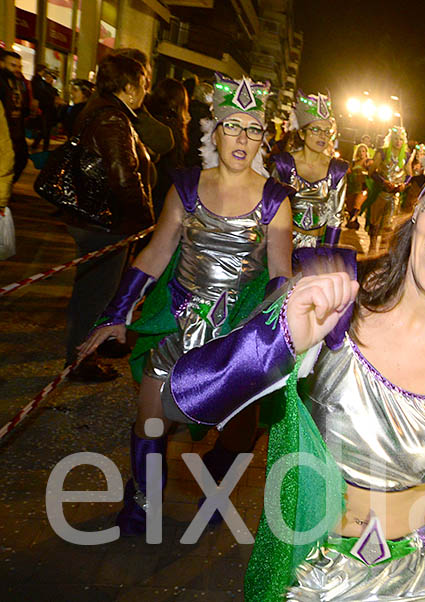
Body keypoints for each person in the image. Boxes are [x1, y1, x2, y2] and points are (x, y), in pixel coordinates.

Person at [157, 84, 425, 601]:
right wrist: (274, 340)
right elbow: (181, 400)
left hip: (415, 582)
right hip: (302, 571)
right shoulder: (331, 301)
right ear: (419, 206)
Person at [77, 73, 293, 536]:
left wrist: (274, 340)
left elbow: (280, 276)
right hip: (178, 321)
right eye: (232, 126)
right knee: (149, 420)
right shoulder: (187, 187)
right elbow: (156, 252)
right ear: (214, 132)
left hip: (238, 334)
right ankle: (142, 504)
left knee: (237, 433)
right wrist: (119, 313)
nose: (242, 138)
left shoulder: (276, 201)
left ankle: (215, 490)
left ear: (263, 139)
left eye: (253, 129)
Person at [61, 53, 155, 382]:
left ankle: (100, 341)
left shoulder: (104, 109)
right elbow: (123, 177)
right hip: (104, 222)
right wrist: (146, 221)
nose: (145, 92)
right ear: (128, 88)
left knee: (100, 289)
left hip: (99, 219)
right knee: (94, 294)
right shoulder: (112, 118)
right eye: (142, 85)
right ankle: (81, 359)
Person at [268, 90, 349, 251]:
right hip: (282, 245)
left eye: (327, 131)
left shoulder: (337, 170)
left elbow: (335, 217)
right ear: (302, 134)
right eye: (316, 130)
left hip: (316, 249)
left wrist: (327, 255)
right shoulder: (283, 165)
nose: (323, 136)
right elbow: (270, 209)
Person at [145, 78, 190, 218]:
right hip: (162, 190)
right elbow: (175, 163)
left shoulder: (148, 119)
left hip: (148, 186)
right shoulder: (172, 126)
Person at [366, 125, 409, 247]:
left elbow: (409, 174)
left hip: (395, 196)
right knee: (374, 223)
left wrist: (404, 185)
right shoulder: (382, 153)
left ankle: (381, 252)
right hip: (380, 193)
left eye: (400, 139)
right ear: (391, 139)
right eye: (396, 138)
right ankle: (372, 248)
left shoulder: (406, 156)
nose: (398, 142)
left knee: (389, 226)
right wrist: (383, 182)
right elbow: (371, 172)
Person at [0, 50, 31, 183]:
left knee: (20, 159)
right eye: (13, 65)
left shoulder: (19, 82)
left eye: (19, 66)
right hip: (4, 131)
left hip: (17, 129)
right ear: (2, 64)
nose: (17, 69)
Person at [30, 65, 62, 152]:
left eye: (50, 77)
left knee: (44, 130)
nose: (49, 79)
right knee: (45, 131)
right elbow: (36, 83)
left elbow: (57, 99)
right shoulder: (41, 85)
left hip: (51, 112)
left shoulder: (53, 89)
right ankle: (44, 148)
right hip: (44, 111)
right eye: (47, 77)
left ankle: (36, 145)